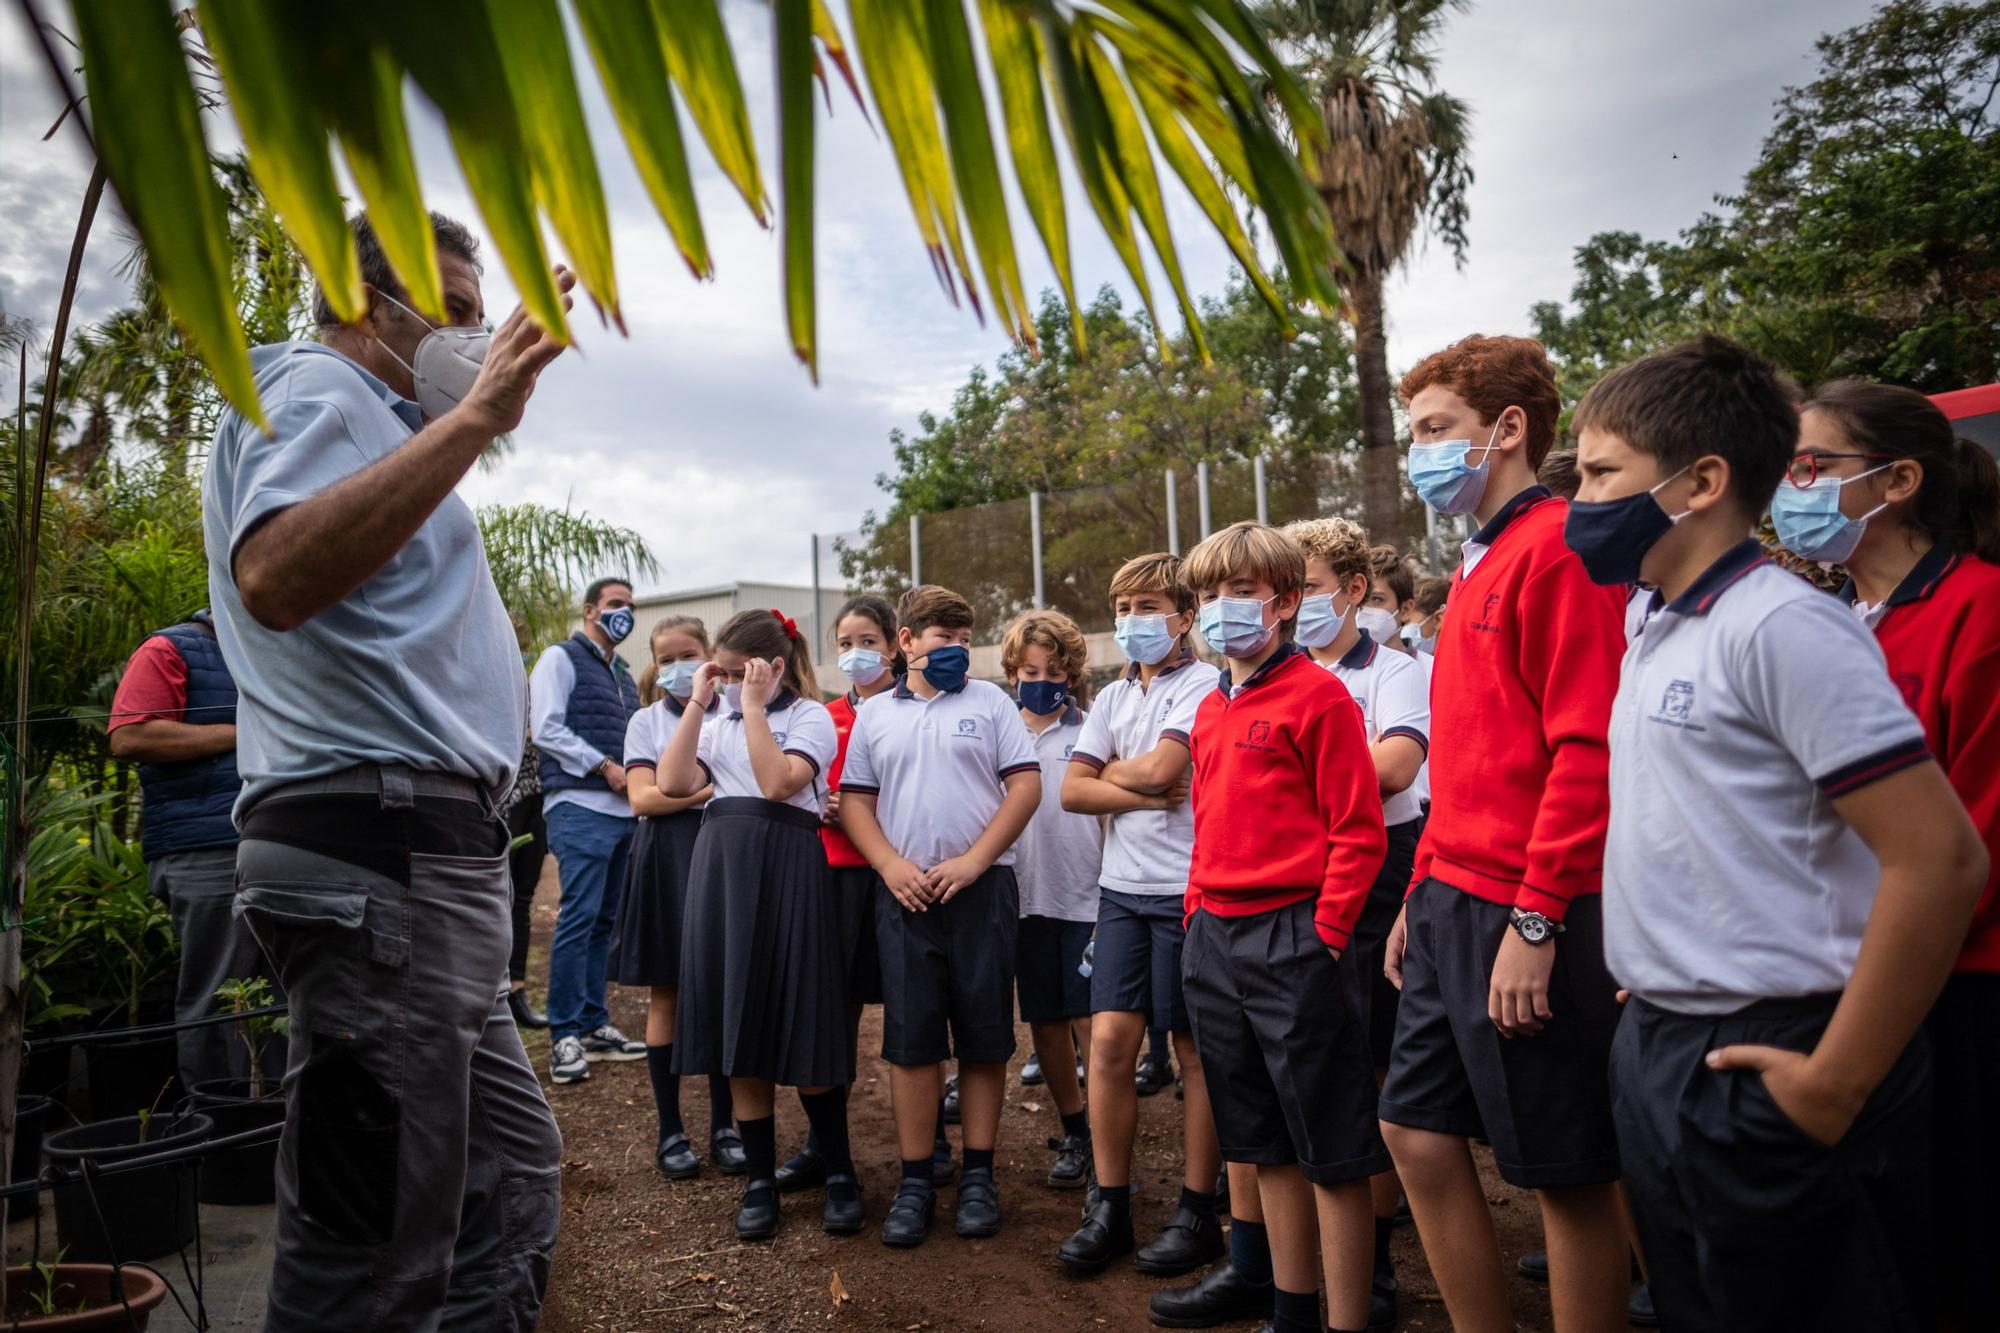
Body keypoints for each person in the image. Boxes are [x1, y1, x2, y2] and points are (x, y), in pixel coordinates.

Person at [1570, 336, 1989, 1331]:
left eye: (1597, 474)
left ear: (1701, 479)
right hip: (1666, 1044)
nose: (1577, 501)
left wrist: (1832, 1083)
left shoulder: (1782, 626)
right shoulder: (1662, 625)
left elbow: (1938, 856)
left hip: (1773, 1052)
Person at [202, 210, 567, 1330]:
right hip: (382, 859)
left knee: (506, 1176)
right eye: (453, 311)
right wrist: (479, 416)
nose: (471, 333)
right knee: (375, 1245)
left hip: (424, 865)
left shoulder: (372, 416)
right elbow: (274, 569)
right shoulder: (317, 390)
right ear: (367, 306)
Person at [1380, 334, 1631, 1333]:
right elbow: (1467, 761)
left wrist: (1535, 921)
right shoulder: (1476, 565)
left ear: (1509, 428)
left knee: (1565, 1177)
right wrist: (1418, 891)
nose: (1421, 452)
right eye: (1414, 435)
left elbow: (1586, 752)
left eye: (1437, 429)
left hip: (1530, 904)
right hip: (1448, 899)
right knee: (1413, 1131)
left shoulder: (1562, 550)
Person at [1777, 379, 2000, 1332]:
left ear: (1900, 479)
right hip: (1853, 978)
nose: (1791, 488)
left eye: (1811, 467)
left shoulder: (1979, 612)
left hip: (1957, 989)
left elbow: (1971, 843)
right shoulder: (1829, 618)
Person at [1176, 521, 1390, 1333]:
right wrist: (1197, 918)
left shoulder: (1321, 696)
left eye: (1239, 592)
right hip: (1216, 942)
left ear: (1286, 601)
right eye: (1207, 595)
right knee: (1259, 1144)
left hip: (1294, 940)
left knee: (1331, 1151)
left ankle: (1346, 1320)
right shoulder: (1206, 708)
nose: (1219, 609)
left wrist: (1325, 936)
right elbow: (1206, 824)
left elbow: (1358, 830)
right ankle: (1293, 1311)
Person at [837, 585, 1042, 1247]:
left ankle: (979, 1175)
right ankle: (918, 1177)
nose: (955, 648)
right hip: (906, 897)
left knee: (985, 1037)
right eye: (941, 637)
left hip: (981, 895)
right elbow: (855, 802)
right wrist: (891, 865)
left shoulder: (990, 703)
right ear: (906, 643)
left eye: (962, 637)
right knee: (912, 1041)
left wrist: (976, 860)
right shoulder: (874, 716)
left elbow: (1025, 786)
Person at [660, 609, 857, 1240]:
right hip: (721, 869)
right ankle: (760, 1181)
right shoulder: (715, 720)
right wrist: (698, 703)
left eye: (741, 669)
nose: (728, 679)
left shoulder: (808, 718)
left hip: (789, 868)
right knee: (737, 1022)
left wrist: (749, 703)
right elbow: (671, 783)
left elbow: (777, 784)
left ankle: (840, 1173)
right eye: (722, 669)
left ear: (773, 665)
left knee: (806, 1020)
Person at [1058, 553, 1223, 1280]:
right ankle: (1111, 1202)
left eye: (1149, 606)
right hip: (1119, 891)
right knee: (1110, 1048)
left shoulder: (1204, 685)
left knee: (1192, 1054)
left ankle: (1195, 1209)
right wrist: (1141, 787)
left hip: (1187, 891)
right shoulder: (1112, 696)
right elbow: (1070, 789)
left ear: (1186, 615)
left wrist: (1116, 777)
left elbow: (1164, 770)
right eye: (1122, 608)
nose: (1132, 622)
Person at [1286, 516, 1429, 1328]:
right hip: (1299, 868)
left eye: (1304, 588)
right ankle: (1289, 1266)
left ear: (1351, 590)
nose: (1292, 605)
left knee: (1371, 1067)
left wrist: (1288, 770)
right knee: (1308, 1060)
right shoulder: (1280, 674)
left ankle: (1373, 1267)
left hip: (1380, 870)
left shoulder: (1397, 671)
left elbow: (1397, 766)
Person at [108, 611, 285, 1093]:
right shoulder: (171, 648)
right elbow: (130, 734)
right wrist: (244, 733)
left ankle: (270, 1118)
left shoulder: (273, 650)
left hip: (277, 842)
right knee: (217, 991)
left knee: (277, 993)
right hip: (205, 848)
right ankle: (218, 1122)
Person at [777, 594, 916, 1194]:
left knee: (914, 1010)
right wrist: (826, 806)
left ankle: (927, 1142)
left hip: (901, 878)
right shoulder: (822, 715)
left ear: (895, 644)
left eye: (867, 641)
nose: (855, 654)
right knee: (832, 1013)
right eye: (844, 644)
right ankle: (824, 1147)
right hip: (834, 879)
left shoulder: (918, 707)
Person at [611, 616, 743, 1179]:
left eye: (688, 653)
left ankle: (725, 1127)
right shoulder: (646, 721)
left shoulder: (737, 711)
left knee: (719, 991)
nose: (677, 666)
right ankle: (671, 1132)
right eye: (666, 658)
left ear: (710, 654)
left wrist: (680, 791)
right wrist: (718, 788)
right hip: (666, 858)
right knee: (667, 994)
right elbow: (643, 800)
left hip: (724, 857)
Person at [531, 577, 648, 1085]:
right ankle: (564, 1035)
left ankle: (593, 1022)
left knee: (604, 921)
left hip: (624, 813)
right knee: (579, 917)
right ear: (590, 611)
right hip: (579, 805)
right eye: (616, 604)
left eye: (630, 606)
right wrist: (603, 765)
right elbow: (546, 726)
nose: (625, 613)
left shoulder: (621, 675)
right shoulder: (560, 658)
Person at [1001, 610, 1102, 1189]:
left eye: (1054, 670)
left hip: (1086, 899)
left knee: (1091, 1025)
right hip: (1024, 901)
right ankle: (1075, 1131)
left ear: (1072, 673)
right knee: (1044, 1026)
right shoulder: (1000, 730)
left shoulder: (1092, 730)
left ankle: (1106, 1145)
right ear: (1013, 671)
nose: (1041, 680)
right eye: (1029, 670)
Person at [500, 718, 549, 1030]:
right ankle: (495, 992)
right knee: (498, 895)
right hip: (504, 795)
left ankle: (516, 991)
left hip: (539, 793)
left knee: (522, 897)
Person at [1363, 546, 1417, 655]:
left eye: (1377, 599)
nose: (1362, 609)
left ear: (1406, 609)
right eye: (1359, 599)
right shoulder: (1332, 669)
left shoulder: (1430, 669)